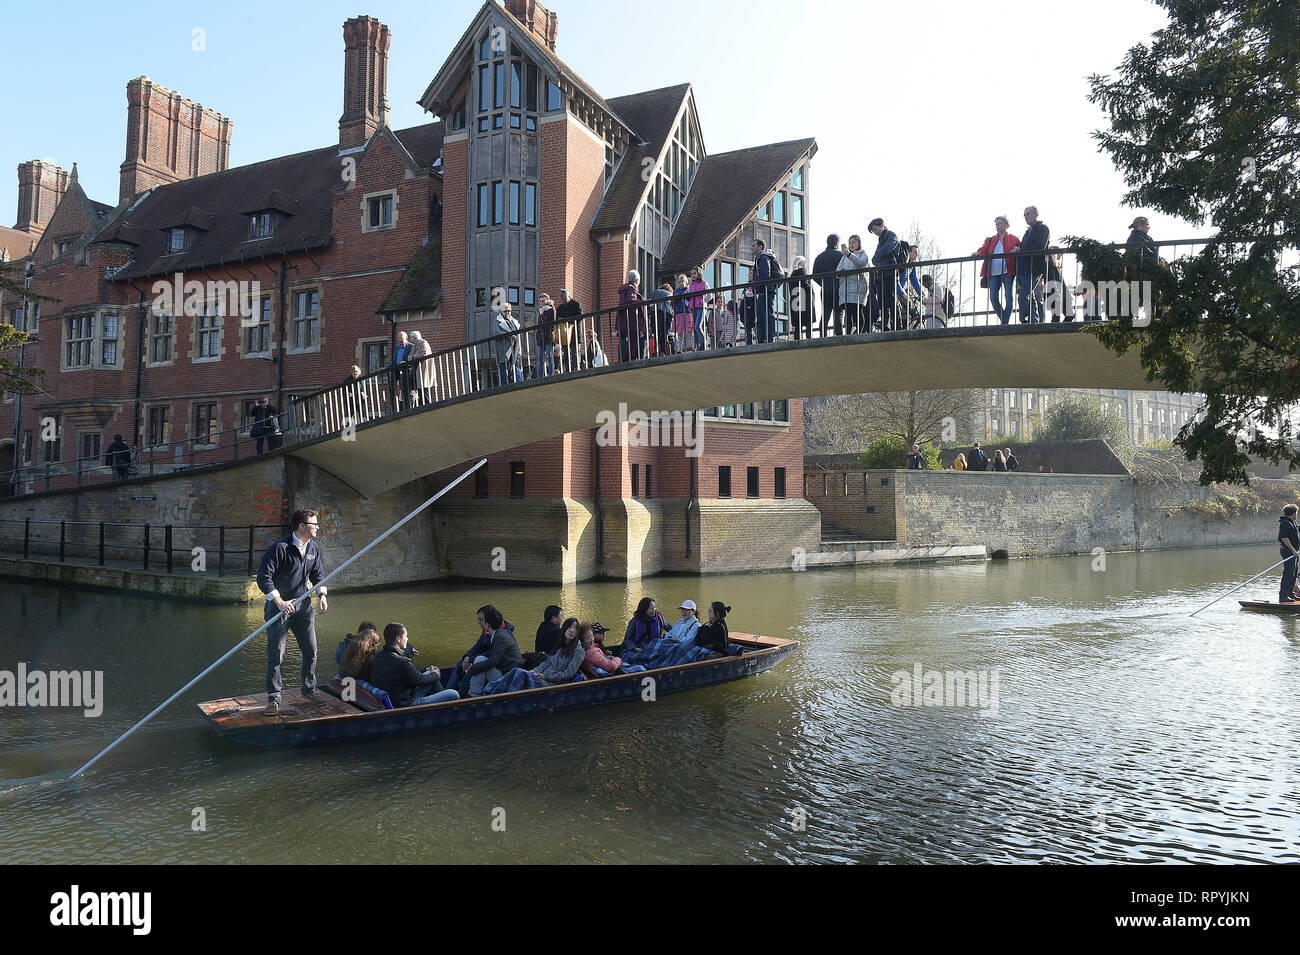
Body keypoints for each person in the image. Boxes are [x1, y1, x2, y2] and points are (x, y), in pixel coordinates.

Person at [256, 508, 328, 715]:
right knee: (276, 653)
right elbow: (264, 577)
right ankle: (274, 698)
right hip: (279, 609)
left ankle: (309, 688)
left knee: (311, 649)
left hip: (303, 607)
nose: (317, 527)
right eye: (314, 524)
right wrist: (278, 601)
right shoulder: (279, 548)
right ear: (302, 526)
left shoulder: (313, 548)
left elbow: (318, 575)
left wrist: (322, 595)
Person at [370, 623, 460, 706]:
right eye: (406, 636)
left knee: (430, 674)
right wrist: (435, 674)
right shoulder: (402, 662)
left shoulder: (378, 656)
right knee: (453, 693)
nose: (407, 639)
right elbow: (421, 681)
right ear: (398, 639)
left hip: (395, 699)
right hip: (406, 705)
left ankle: (441, 703)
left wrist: (426, 670)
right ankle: (445, 707)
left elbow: (410, 673)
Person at [466, 605, 524, 697]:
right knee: (480, 659)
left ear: (488, 624)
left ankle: (474, 695)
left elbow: (493, 661)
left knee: (480, 660)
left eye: (482, 621)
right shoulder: (498, 634)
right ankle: (474, 694)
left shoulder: (500, 637)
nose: (480, 623)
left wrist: (473, 668)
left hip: (509, 676)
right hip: (504, 669)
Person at [976, 217, 1020, 324]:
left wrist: (1018, 249)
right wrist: (977, 254)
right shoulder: (990, 239)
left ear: (1006, 225)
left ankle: (1004, 323)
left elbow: (1021, 247)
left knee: (1008, 296)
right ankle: (1004, 321)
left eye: (1000, 224)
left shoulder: (1014, 238)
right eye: (996, 224)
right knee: (993, 297)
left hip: (1008, 271)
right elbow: (984, 249)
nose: (997, 226)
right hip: (993, 272)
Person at [1017, 206, 1050, 323]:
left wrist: (1021, 251)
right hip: (1024, 268)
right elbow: (1024, 247)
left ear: (1035, 214)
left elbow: (1039, 246)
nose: (1025, 217)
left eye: (1027, 214)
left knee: (1023, 295)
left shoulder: (1043, 229)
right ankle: (1034, 321)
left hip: (1034, 268)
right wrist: (1018, 248)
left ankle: (1024, 319)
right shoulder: (1027, 232)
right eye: (1024, 215)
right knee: (1029, 295)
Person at [868, 218, 903, 331]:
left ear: (882, 225)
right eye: (873, 231)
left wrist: (878, 255)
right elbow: (874, 259)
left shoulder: (891, 235)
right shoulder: (882, 239)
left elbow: (886, 250)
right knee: (883, 302)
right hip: (881, 274)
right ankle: (886, 326)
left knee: (892, 299)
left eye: (876, 229)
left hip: (890, 272)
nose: (875, 232)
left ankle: (897, 326)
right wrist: (878, 256)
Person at [529, 617, 585, 684]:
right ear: (564, 629)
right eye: (569, 627)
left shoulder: (579, 651)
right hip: (543, 677)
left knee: (523, 676)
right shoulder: (559, 645)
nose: (572, 630)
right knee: (518, 671)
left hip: (555, 684)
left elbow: (568, 674)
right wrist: (535, 671)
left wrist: (545, 676)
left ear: (577, 632)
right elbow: (547, 662)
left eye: (575, 628)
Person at [837, 235, 870, 335]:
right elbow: (837, 271)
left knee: (857, 313)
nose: (851, 245)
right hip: (846, 289)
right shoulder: (844, 257)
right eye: (850, 242)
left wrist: (849, 255)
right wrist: (841, 272)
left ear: (859, 243)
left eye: (854, 242)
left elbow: (860, 263)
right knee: (848, 314)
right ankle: (848, 335)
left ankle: (858, 334)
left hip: (858, 289)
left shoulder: (863, 254)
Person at [751, 239, 781, 344]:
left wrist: (759, 287)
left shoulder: (763, 258)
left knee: (766, 315)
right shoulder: (762, 257)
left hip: (765, 291)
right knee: (763, 316)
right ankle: (763, 339)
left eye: (753, 245)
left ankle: (767, 339)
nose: (752, 247)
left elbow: (765, 275)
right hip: (765, 290)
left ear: (760, 247)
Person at [813, 233, 843, 337]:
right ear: (837, 243)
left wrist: (823, 283)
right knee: (838, 313)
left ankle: (822, 335)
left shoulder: (820, 257)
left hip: (825, 289)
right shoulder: (840, 256)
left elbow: (815, 276)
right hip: (839, 288)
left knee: (825, 314)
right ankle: (839, 335)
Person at [617, 270, 644, 362]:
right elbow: (630, 300)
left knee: (624, 340)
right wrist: (642, 302)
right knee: (632, 341)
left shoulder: (624, 289)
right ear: (637, 280)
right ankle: (630, 359)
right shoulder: (631, 289)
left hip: (623, 320)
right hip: (631, 321)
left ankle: (623, 359)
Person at [493, 303, 522, 385]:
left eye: (509, 311)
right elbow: (496, 333)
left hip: (514, 348)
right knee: (504, 367)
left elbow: (518, 335)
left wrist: (519, 349)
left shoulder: (513, 321)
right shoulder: (497, 320)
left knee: (516, 366)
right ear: (501, 311)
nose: (507, 313)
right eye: (505, 311)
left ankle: (518, 383)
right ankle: (505, 386)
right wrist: (510, 336)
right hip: (504, 348)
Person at [555, 289, 583, 372]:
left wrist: (565, 320)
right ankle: (568, 370)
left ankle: (576, 368)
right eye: (562, 299)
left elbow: (579, 317)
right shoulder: (560, 308)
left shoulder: (576, 305)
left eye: (565, 299)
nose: (564, 301)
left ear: (569, 296)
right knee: (566, 353)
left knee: (575, 352)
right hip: (564, 334)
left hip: (574, 332)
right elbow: (557, 320)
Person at [1278, 504, 1300, 603]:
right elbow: (1284, 538)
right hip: (1288, 552)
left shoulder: (1292, 522)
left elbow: (1296, 530)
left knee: (1294, 573)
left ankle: (1290, 594)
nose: (1297, 514)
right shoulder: (1285, 523)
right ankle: (1283, 596)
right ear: (1294, 513)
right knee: (1288, 573)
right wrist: (1293, 550)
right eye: (1297, 512)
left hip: (1294, 552)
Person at [789, 256, 813, 340]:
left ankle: (797, 340)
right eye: (804, 262)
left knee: (798, 325)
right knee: (808, 323)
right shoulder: (802, 271)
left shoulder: (792, 275)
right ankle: (809, 340)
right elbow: (806, 285)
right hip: (804, 300)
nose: (805, 263)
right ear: (800, 263)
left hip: (795, 302)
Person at [688, 267, 710, 351]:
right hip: (693, 308)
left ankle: (703, 344)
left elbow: (709, 295)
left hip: (701, 307)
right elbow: (687, 296)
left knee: (697, 326)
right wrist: (688, 304)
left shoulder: (704, 283)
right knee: (695, 327)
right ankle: (698, 346)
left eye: (694, 273)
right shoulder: (691, 286)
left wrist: (702, 301)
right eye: (692, 273)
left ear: (699, 274)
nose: (693, 275)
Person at [408, 330, 433, 405]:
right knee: (418, 387)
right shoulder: (414, 346)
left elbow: (424, 354)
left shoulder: (424, 343)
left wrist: (413, 357)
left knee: (424, 388)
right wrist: (413, 357)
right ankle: (420, 404)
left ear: (415, 337)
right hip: (416, 369)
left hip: (423, 369)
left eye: (411, 337)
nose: (410, 339)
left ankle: (427, 405)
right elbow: (409, 357)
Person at [535, 293, 556, 378]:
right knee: (540, 359)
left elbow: (552, 323)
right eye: (540, 301)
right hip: (540, 337)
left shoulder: (551, 309)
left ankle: (551, 375)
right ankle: (540, 376)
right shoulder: (541, 310)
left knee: (550, 356)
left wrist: (543, 314)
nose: (541, 303)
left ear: (547, 300)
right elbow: (539, 324)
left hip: (548, 336)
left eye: (543, 301)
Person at [391, 331, 413, 410]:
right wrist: (386, 367)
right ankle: (397, 408)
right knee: (396, 389)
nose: (399, 340)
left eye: (401, 338)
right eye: (398, 338)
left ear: (406, 338)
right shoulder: (397, 347)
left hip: (406, 371)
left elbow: (413, 358)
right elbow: (394, 361)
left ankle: (407, 408)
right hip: (397, 371)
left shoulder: (411, 346)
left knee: (406, 389)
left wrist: (407, 362)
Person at [651, 282, 674, 357]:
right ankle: (667, 354)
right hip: (667, 314)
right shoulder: (670, 295)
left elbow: (650, 303)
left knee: (656, 336)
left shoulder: (655, 292)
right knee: (665, 335)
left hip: (655, 313)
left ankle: (658, 354)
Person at [671, 274, 691, 353]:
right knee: (679, 332)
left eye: (682, 282)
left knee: (690, 330)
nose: (681, 283)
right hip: (678, 312)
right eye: (679, 282)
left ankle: (693, 346)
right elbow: (673, 301)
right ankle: (679, 349)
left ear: (686, 282)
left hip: (687, 312)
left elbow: (689, 298)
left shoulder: (688, 290)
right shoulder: (676, 291)